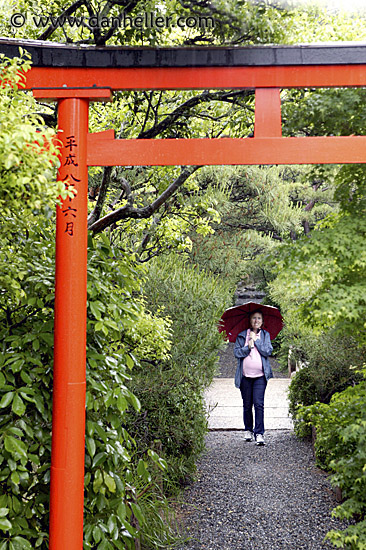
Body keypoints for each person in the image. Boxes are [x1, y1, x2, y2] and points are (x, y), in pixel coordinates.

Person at [234, 310, 273, 446]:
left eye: (259, 318)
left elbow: (268, 351)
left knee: (259, 404)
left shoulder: (265, 335)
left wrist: (256, 342)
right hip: (245, 376)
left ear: (262, 321)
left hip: (260, 377)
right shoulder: (242, 335)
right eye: (254, 318)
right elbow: (237, 353)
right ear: (250, 321)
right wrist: (247, 346)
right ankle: (248, 430)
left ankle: (259, 433)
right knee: (247, 404)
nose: (256, 321)